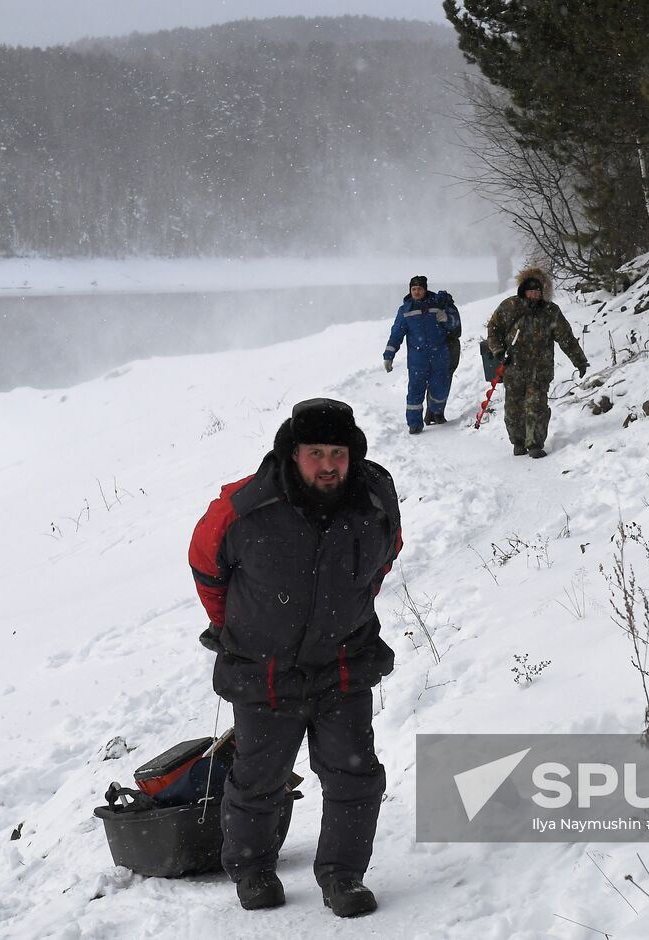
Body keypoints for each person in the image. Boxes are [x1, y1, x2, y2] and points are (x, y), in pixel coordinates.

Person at [188, 398, 402, 918]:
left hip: (344, 664)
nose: (328, 465)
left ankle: (342, 877)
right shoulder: (246, 506)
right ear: (292, 454)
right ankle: (253, 869)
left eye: (337, 453)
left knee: (355, 775)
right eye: (315, 453)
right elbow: (205, 566)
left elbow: (386, 552)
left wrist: (349, 603)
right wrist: (234, 628)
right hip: (264, 670)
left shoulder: (373, 497)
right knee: (258, 778)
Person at [485, 266, 589, 459]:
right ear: (523, 290)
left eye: (537, 291)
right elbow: (494, 328)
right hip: (513, 368)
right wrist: (498, 350)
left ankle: (535, 444)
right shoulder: (510, 307)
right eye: (530, 291)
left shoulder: (550, 311)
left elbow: (565, 337)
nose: (534, 294)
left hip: (540, 369)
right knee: (513, 408)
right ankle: (518, 441)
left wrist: (579, 361)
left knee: (536, 406)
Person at [383, 275, 460, 433]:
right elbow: (396, 334)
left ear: (425, 289)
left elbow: (454, 325)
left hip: (440, 355)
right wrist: (388, 355)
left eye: (419, 289)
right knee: (415, 391)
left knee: (440, 388)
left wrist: (446, 318)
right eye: (414, 289)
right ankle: (414, 424)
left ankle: (435, 411)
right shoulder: (405, 311)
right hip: (417, 359)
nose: (416, 292)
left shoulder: (437, 304)